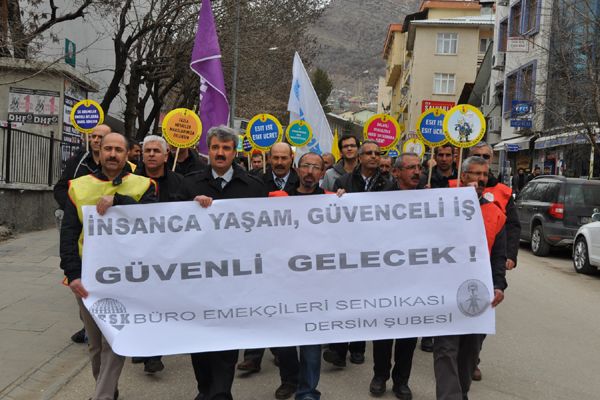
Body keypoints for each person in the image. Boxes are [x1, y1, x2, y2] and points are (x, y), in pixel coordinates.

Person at [60, 132, 158, 400]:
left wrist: (120, 202)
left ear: (128, 154)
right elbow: (68, 234)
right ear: (99, 151)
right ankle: (108, 391)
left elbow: (152, 221)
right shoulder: (77, 187)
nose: (113, 154)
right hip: (87, 279)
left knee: (115, 341)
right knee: (95, 345)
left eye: (118, 149)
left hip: (127, 278)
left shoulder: (143, 184)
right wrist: (73, 275)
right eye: (108, 149)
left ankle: (101, 396)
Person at [176, 125, 267, 400]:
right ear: (208, 149)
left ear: (234, 152)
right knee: (200, 340)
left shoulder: (253, 187)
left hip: (235, 280)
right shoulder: (190, 184)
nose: (220, 152)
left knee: (227, 338)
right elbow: (171, 224)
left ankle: (220, 392)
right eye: (215, 147)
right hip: (198, 278)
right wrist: (190, 206)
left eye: (226, 148)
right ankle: (205, 389)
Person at [434, 156, 507, 400]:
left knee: (469, 350)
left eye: (485, 175)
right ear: (463, 176)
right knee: (445, 348)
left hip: (477, 291)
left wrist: (499, 284)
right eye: (475, 174)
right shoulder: (440, 204)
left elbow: (498, 255)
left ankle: (461, 392)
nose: (481, 179)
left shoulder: (494, 212)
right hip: (444, 289)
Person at [266, 152, 335, 400]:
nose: (310, 171)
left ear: (322, 173)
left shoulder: (332, 201)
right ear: (297, 169)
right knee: (284, 339)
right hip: (284, 281)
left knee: (311, 341)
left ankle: (307, 391)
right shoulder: (278, 199)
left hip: (315, 284)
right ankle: (289, 379)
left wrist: (345, 205)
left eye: (316, 167)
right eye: (305, 165)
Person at [325, 140, 393, 368]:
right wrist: (339, 198)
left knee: (365, 301)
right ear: (360, 157)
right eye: (369, 153)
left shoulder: (388, 183)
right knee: (346, 300)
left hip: (375, 251)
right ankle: (338, 350)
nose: (374, 157)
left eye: (377, 153)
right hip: (348, 250)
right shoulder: (343, 181)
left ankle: (357, 348)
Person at [464, 142, 521, 381]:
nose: (482, 161)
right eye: (477, 157)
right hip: (454, 267)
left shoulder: (502, 192)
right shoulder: (448, 189)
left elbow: (511, 225)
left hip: (484, 266)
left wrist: (509, 256)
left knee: (479, 316)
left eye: (486, 158)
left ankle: (472, 359)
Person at [369, 153, 421, 400]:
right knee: (383, 331)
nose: (417, 172)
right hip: (385, 276)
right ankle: (380, 376)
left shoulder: (429, 198)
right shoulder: (380, 198)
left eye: (419, 167)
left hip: (413, 278)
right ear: (397, 172)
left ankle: (402, 380)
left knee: (408, 334)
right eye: (410, 167)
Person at [53, 123, 111, 344]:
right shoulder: (78, 163)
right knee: (81, 286)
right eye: (94, 136)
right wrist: (73, 206)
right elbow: (60, 188)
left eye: (101, 137)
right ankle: (88, 326)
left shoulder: (125, 167)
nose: (96, 140)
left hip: (110, 241)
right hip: (82, 239)